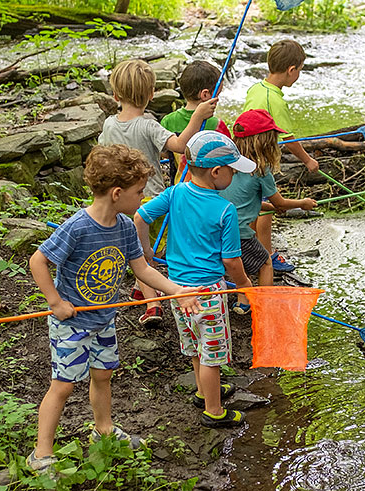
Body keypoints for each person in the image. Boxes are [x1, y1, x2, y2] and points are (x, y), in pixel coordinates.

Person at [26, 144, 201, 475]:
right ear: (117, 193)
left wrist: (176, 291)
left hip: (103, 320)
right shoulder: (78, 226)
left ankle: (103, 428)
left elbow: (143, 269)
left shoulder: (124, 226)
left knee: (103, 375)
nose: (143, 198)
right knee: (62, 385)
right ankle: (41, 453)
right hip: (72, 323)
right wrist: (55, 302)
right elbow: (39, 260)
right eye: (139, 192)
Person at [134, 131, 256, 428]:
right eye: (232, 171)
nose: (234, 176)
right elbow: (230, 260)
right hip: (209, 291)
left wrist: (145, 249)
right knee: (212, 355)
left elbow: (140, 216)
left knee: (195, 346)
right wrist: (244, 285)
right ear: (216, 172)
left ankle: (204, 392)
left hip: (177, 290)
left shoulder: (176, 193)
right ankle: (214, 410)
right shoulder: (224, 210)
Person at [98, 58, 217, 328]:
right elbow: (177, 145)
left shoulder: (108, 125)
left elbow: (102, 156)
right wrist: (197, 117)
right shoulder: (149, 125)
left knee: (136, 254)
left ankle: (151, 300)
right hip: (152, 200)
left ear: (115, 95)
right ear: (151, 95)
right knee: (150, 251)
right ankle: (165, 296)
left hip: (120, 202)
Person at [219, 109, 317, 314]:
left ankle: (242, 301)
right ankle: (264, 305)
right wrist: (302, 203)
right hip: (239, 233)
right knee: (264, 262)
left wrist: (269, 207)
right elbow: (280, 203)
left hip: (218, 229)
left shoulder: (225, 167)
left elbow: (244, 202)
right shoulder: (260, 171)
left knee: (240, 263)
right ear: (265, 143)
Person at [243, 39, 318, 273]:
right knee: (266, 208)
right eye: (300, 71)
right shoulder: (275, 100)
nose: (298, 75)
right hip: (261, 157)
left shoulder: (256, 88)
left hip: (244, 154)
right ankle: (266, 255)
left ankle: (251, 247)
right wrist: (308, 160)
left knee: (253, 203)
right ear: (291, 70)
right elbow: (289, 138)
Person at [161, 60, 232, 184]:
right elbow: (230, 159)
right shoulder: (217, 126)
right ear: (205, 95)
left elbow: (165, 154)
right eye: (217, 95)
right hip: (209, 192)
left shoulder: (167, 121)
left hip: (178, 188)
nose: (218, 99)